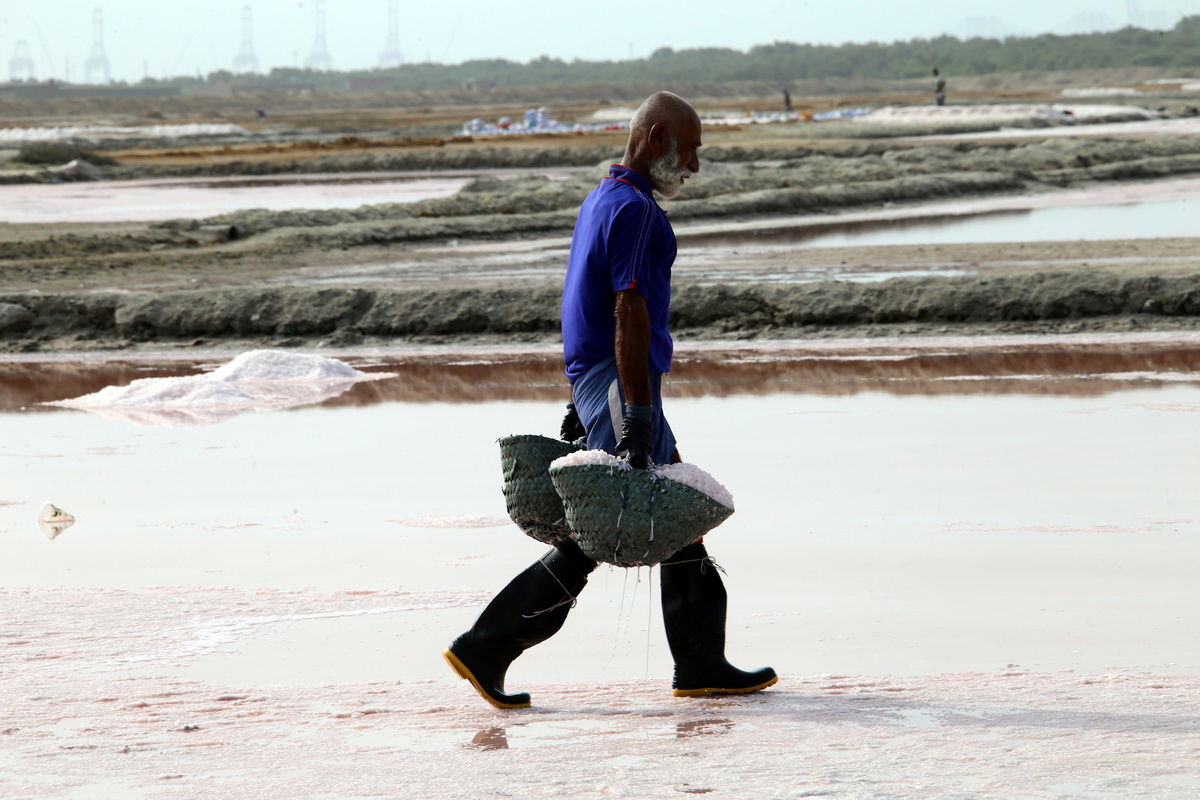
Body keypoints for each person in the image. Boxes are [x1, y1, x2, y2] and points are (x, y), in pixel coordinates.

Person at [444, 91, 777, 709]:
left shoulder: (603, 198)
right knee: (601, 529)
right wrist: (637, 416)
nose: (694, 166)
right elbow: (627, 309)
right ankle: (486, 646)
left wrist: (583, 395)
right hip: (620, 382)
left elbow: (582, 302)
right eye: (691, 150)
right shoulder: (636, 211)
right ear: (656, 138)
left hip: (602, 380)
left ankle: (701, 663)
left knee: (673, 515)